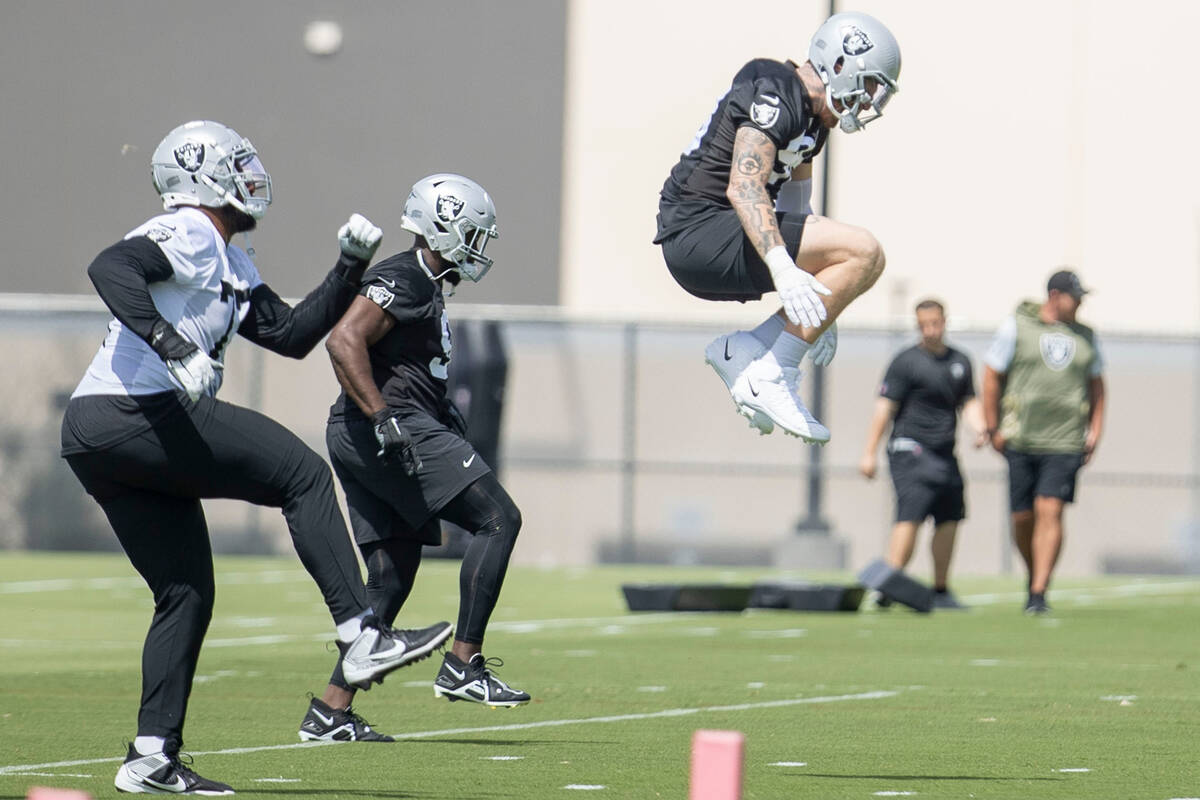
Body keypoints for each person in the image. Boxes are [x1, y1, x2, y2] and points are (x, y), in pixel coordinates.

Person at [61, 120, 452, 794]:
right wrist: (172, 344)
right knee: (299, 472)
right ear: (203, 178)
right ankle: (360, 632)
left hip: (101, 434)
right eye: (236, 165)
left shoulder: (230, 261)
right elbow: (111, 267)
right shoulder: (187, 230)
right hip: (130, 411)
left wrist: (348, 269)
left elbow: (291, 333)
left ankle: (150, 756)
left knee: (185, 594)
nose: (252, 177)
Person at [307, 172, 529, 735]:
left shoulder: (424, 285)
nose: (479, 248)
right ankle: (463, 663)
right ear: (443, 227)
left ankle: (330, 710)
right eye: (473, 234)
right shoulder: (404, 276)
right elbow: (343, 340)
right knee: (499, 519)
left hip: (368, 428)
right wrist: (384, 418)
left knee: (391, 572)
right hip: (383, 427)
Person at [654, 11, 901, 443]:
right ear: (840, 63)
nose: (869, 101)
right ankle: (771, 370)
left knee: (858, 257)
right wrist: (786, 271)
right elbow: (745, 186)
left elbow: (796, 208)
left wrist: (822, 298)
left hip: (722, 231)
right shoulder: (776, 88)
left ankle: (754, 355)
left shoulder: (813, 120)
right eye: (869, 85)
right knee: (864, 250)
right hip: (697, 230)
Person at [981, 270, 1106, 615]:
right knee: (1023, 517)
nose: (1079, 303)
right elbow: (992, 375)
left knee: (1050, 510)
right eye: (1074, 296)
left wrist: (1094, 430)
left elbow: (1097, 384)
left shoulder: (1086, 336)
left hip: (1065, 440)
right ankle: (1034, 571)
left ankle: (1039, 591)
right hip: (1021, 436)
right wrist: (992, 426)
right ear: (1054, 295)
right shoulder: (1017, 327)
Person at [858, 299, 987, 609]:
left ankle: (941, 590)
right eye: (924, 324)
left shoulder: (960, 361)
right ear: (918, 325)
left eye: (936, 323)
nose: (931, 330)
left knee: (950, 518)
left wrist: (980, 428)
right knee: (910, 515)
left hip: (945, 453)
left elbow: (967, 402)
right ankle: (887, 586)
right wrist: (868, 453)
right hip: (910, 450)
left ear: (944, 321)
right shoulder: (905, 362)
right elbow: (884, 408)